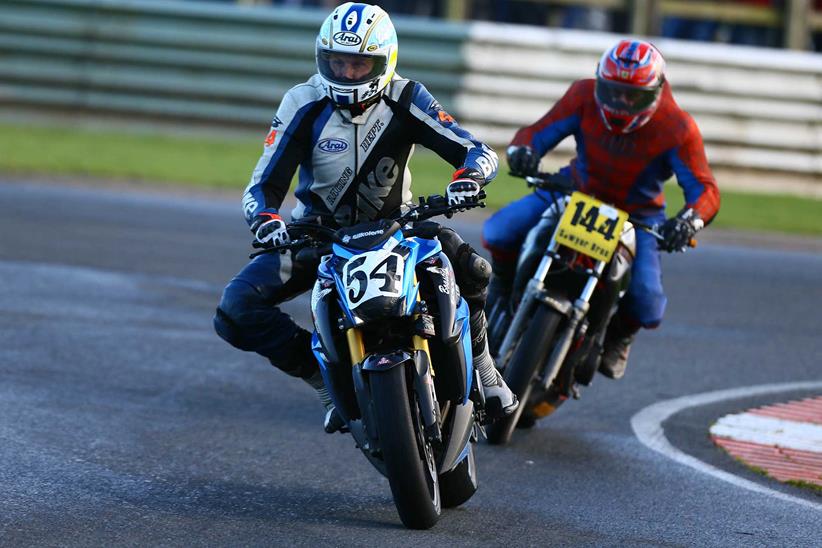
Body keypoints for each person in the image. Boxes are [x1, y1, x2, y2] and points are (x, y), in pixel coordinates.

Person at [213, 2, 517, 432]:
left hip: (400, 228)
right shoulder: (302, 102)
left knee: (472, 268)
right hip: (317, 235)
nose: (347, 73)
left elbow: (475, 150)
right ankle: (322, 378)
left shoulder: (407, 96)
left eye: (359, 64)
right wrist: (265, 218)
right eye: (337, 62)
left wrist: (469, 178)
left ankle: (484, 367)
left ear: (384, 61)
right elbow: (265, 181)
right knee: (235, 309)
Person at [482, 39, 720, 380]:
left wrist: (689, 219)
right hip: (575, 188)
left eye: (633, 96)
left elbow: (704, 188)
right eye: (612, 91)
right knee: (498, 231)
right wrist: (524, 151)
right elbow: (536, 132)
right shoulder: (582, 95)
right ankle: (502, 292)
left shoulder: (678, 127)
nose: (621, 103)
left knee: (648, 304)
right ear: (599, 82)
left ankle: (616, 338)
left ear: (655, 91)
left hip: (638, 215)